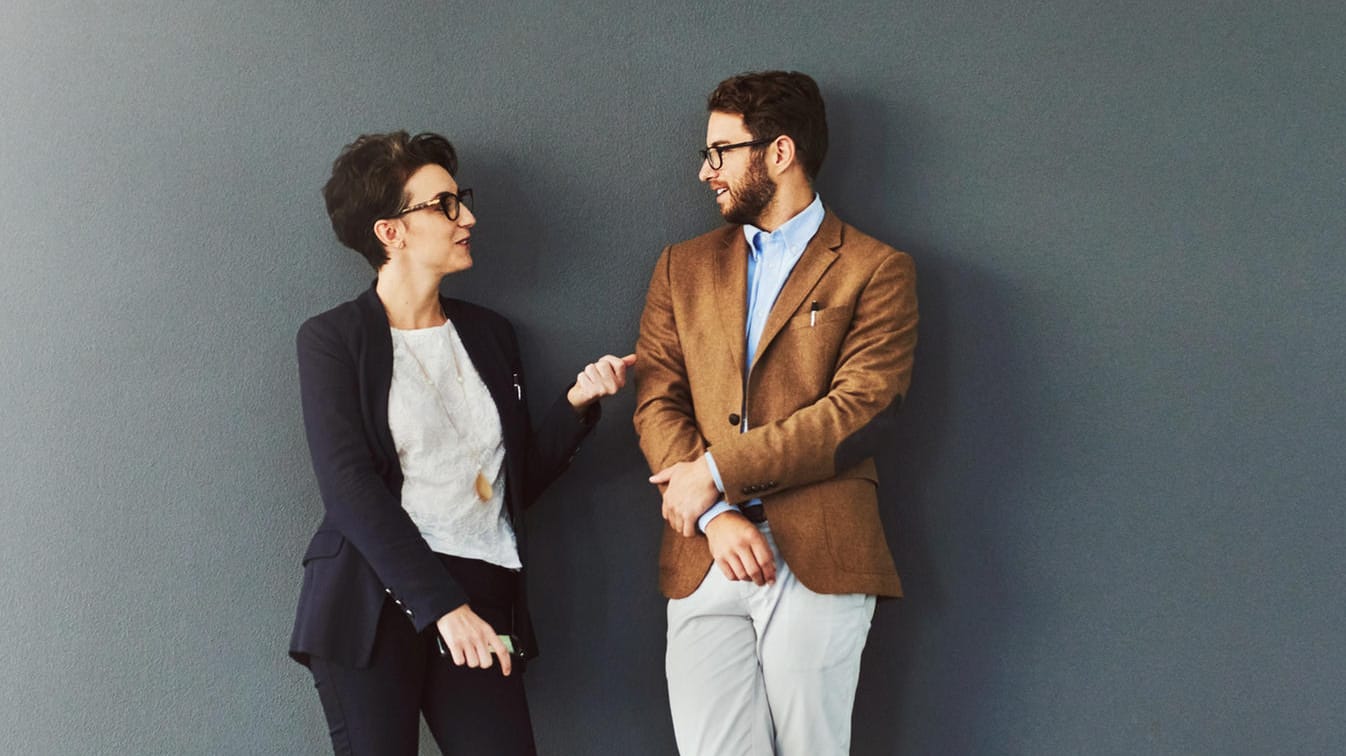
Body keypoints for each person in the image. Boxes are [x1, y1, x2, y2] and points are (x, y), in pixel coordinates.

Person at [289, 131, 633, 755]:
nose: (467, 217)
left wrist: (577, 406)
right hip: (373, 599)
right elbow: (349, 488)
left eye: (461, 200)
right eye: (444, 205)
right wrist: (441, 605)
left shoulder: (490, 334)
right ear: (390, 232)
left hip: (482, 593)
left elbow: (514, 477)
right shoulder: (333, 340)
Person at [633, 71, 919, 755]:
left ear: (780, 152)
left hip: (819, 554)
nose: (707, 172)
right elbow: (656, 397)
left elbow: (861, 409)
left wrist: (716, 471)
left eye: (721, 152)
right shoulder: (682, 267)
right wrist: (713, 509)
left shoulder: (876, 269)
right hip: (705, 553)